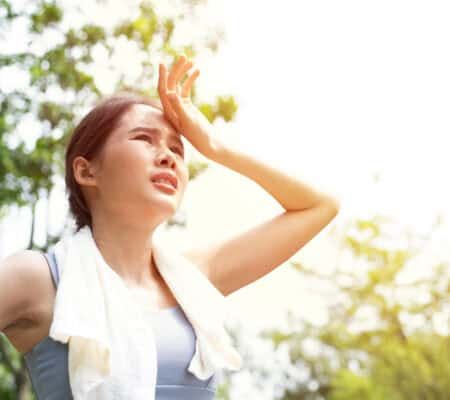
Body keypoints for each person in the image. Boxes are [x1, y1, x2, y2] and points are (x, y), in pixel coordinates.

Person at [0, 54, 340, 399]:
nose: (167, 156)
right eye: (144, 139)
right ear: (87, 171)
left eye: (177, 149)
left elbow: (319, 206)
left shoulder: (194, 278)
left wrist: (215, 146)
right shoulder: (39, 278)